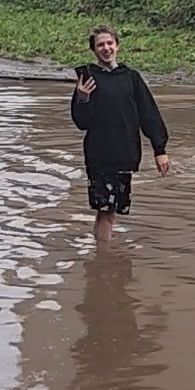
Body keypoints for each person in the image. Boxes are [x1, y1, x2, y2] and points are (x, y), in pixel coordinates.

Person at [71, 26, 169, 235]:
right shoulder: (88, 79)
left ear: (117, 45)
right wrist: (82, 99)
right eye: (100, 45)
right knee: (105, 210)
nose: (106, 48)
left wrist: (159, 149)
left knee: (112, 210)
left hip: (125, 154)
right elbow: (81, 122)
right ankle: (104, 252)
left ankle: (103, 249)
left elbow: (149, 113)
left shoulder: (131, 78)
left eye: (110, 43)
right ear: (94, 50)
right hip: (99, 156)